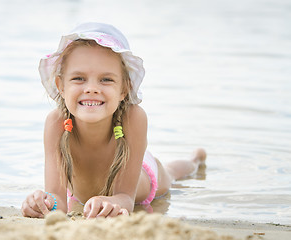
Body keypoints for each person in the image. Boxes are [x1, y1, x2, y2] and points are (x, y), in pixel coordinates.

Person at [21, 22, 206, 219]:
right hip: (94, 188)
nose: (91, 88)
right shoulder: (56, 123)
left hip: (141, 173)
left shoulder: (133, 117)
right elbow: (58, 198)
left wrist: (112, 202)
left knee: (170, 173)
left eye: (106, 79)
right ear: (61, 85)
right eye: (78, 78)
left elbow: (126, 198)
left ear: (124, 88)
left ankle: (195, 159)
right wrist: (43, 202)